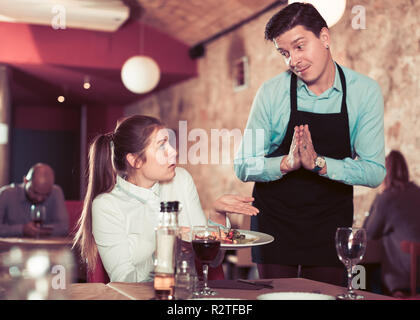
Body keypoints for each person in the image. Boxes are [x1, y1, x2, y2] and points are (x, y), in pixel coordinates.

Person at [233, 3, 385, 286]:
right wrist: (286, 163)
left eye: (300, 46)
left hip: (330, 226)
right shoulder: (270, 92)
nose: (293, 60)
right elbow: (243, 165)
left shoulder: (364, 92)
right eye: (285, 53)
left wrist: (319, 164)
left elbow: (374, 171)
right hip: (273, 226)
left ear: (325, 38)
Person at [73, 115, 259, 282]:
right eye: (161, 145)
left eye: (169, 142)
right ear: (135, 161)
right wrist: (166, 246)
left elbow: (212, 261)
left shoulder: (181, 179)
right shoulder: (106, 206)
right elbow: (124, 281)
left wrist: (217, 216)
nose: (173, 151)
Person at [364, 150, 420, 297]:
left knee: (362, 274)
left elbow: (368, 234)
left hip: (404, 278)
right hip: (416, 273)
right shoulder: (418, 192)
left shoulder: (387, 198)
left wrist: (379, 196)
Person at [0, 163, 69, 237]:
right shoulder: (6, 194)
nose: (39, 199)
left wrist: (40, 230)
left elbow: (64, 228)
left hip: (46, 248)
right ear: (25, 181)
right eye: (35, 192)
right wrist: (22, 229)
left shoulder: (56, 192)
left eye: (46, 195)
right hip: (12, 247)